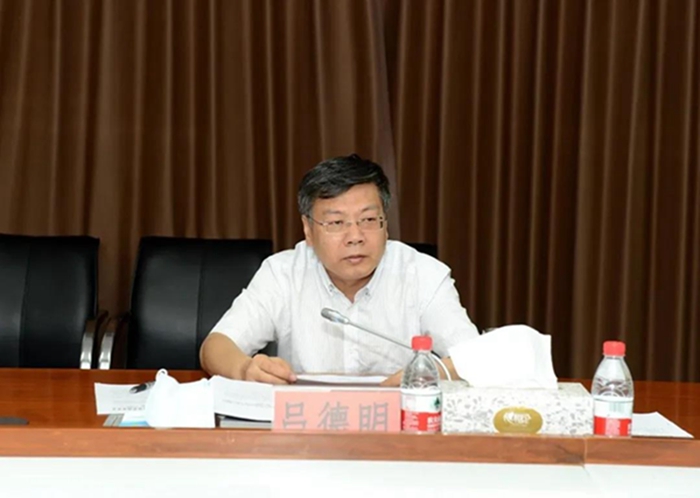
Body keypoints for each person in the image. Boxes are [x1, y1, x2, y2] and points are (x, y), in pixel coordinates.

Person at [199, 154, 479, 386]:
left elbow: (476, 357)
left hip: (400, 426)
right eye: (336, 223)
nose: (355, 236)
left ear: (386, 224)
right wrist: (246, 369)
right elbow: (215, 347)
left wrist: (425, 373)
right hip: (309, 427)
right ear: (308, 229)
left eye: (369, 219)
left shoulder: (423, 274)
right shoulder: (282, 273)